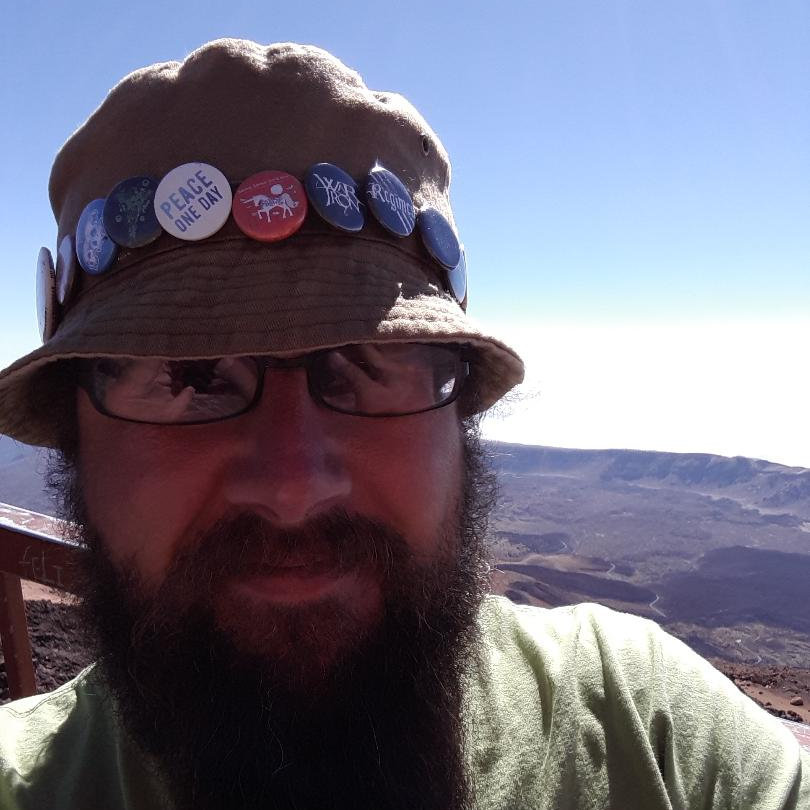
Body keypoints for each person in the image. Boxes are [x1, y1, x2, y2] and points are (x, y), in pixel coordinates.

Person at [0, 39, 806, 810]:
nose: (293, 486)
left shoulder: (650, 729)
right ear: (75, 441)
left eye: (369, 367)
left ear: (460, 425)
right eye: (190, 378)